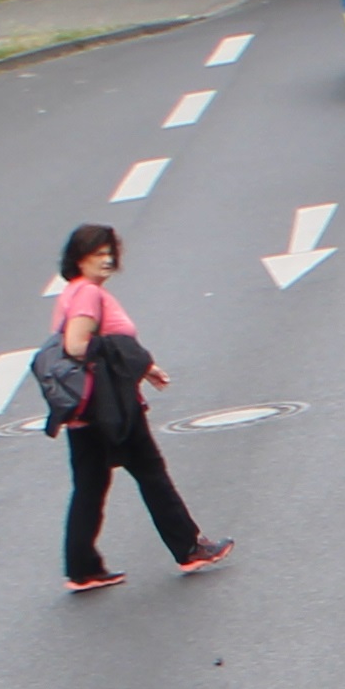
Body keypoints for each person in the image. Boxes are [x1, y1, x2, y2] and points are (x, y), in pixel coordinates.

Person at [48, 221, 229, 595]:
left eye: (110, 253)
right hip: (109, 407)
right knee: (151, 472)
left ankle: (81, 568)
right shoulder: (87, 296)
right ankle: (189, 547)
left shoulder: (71, 293)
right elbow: (79, 345)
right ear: (79, 259)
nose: (108, 260)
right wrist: (137, 362)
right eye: (98, 254)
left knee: (89, 487)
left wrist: (143, 367)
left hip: (87, 411)